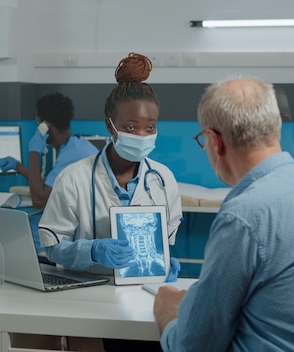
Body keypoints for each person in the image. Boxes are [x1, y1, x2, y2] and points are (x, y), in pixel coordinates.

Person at [153, 77, 294, 351]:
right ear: (276, 128)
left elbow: (193, 346)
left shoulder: (243, 216)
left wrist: (168, 316)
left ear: (214, 141)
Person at [38, 52, 183, 351]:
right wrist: (92, 250)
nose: (142, 135)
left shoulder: (163, 179)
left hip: (144, 299)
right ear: (110, 126)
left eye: (150, 127)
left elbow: (166, 242)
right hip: (88, 300)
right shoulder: (73, 178)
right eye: (131, 127)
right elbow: (51, 246)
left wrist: (165, 263)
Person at [0, 92, 99, 255]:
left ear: (46, 126)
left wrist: (34, 150)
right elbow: (50, 186)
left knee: (6, 229)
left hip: (68, 238)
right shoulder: (76, 146)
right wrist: (18, 166)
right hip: (79, 228)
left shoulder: (70, 156)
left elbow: (39, 198)